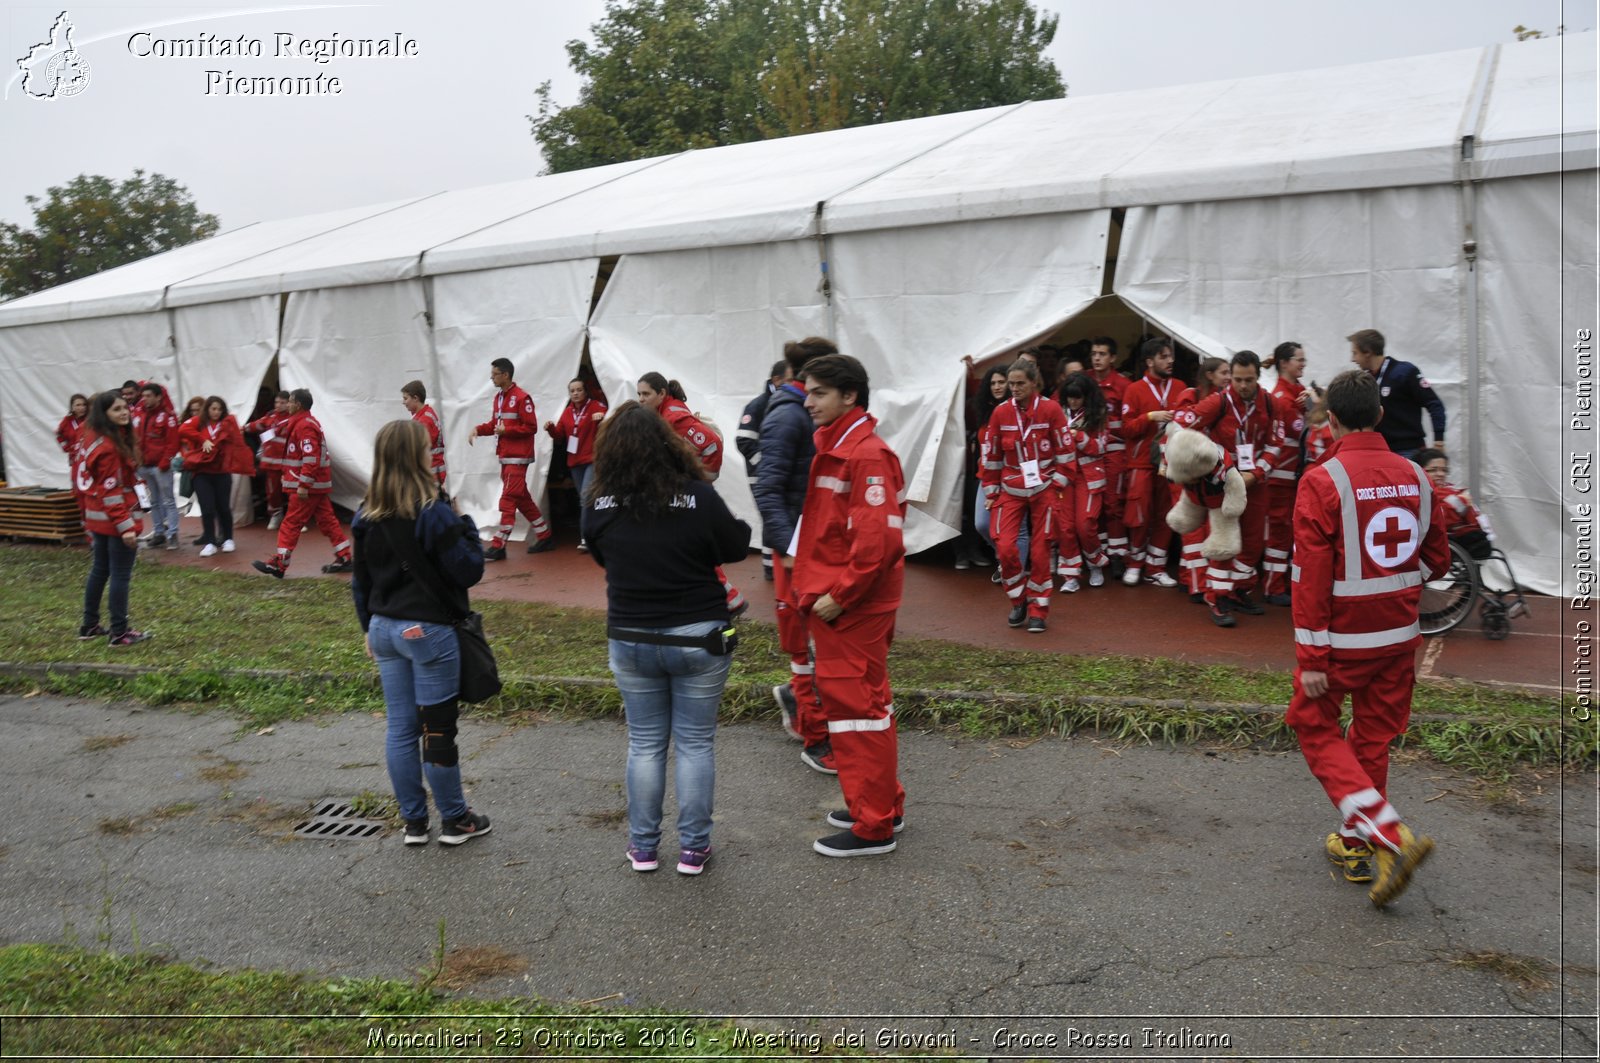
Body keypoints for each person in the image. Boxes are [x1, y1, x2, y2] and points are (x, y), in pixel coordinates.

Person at [1287, 369, 1445, 908]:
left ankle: (1389, 833)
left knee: (1313, 725)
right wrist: (1393, 590)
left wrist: (1310, 657)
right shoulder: (1418, 477)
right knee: (1371, 740)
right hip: (1400, 638)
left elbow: (1309, 578)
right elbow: (1438, 559)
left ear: (1330, 421)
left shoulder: (1321, 480)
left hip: (1342, 643)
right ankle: (1358, 844)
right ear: (1380, 415)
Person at [582, 402, 750, 876]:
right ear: (667, 443)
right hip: (698, 636)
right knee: (696, 744)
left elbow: (598, 552)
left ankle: (643, 848)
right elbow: (736, 545)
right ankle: (694, 850)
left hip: (631, 635)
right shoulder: (696, 495)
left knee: (645, 744)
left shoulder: (598, 502)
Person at [351, 419, 491, 847]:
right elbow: (469, 570)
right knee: (437, 729)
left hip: (384, 628)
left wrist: (367, 628)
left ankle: (414, 822)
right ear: (419, 456)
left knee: (400, 727)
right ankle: (455, 819)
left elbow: (361, 581)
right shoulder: (432, 511)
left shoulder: (365, 514)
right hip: (427, 630)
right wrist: (465, 522)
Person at [794, 353, 907, 857]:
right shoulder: (841, 447)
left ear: (849, 396)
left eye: (818, 392)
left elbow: (877, 543)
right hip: (844, 604)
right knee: (868, 710)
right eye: (807, 391)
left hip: (851, 608)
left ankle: (873, 826)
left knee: (857, 714)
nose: (808, 400)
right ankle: (882, 804)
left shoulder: (864, 455)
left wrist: (839, 598)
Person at [754, 337, 834, 765]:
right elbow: (768, 488)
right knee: (806, 650)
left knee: (816, 647)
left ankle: (801, 705)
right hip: (797, 553)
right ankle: (815, 738)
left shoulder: (802, 412)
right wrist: (790, 548)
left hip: (811, 547)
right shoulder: (789, 415)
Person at [1174, 350, 1283, 625]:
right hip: (1222, 483)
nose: (1242, 385)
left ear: (1258, 377)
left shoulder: (1270, 404)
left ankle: (1237, 591)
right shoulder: (1217, 402)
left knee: (1253, 544)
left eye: (1248, 380)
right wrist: (1196, 463)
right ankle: (1216, 598)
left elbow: (1275, 445)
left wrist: (1256, 474)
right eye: (1237, 379)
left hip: (1255, 484)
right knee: (1224, 543)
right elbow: (1181, 427)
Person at [638, 372, 746, 616]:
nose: (641, 399)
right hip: (680, 489)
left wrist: (702, 479)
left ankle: (728, 597)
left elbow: (711, 444)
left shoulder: (673, 417)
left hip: (687, 490)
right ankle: (726, 596)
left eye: (646, 394)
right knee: (691, 543)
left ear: (662, 394)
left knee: (688, 542)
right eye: (639, 394)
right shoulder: (664, 414)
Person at [983, 358, 1070, 632]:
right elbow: (992, 454)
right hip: (1010, 487)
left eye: (1021, 383)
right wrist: (991, 489)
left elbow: (1066, 452)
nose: (1015, 388)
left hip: (1044, 488)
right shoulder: (1000, 413)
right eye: (1012, 384)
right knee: (1006, 547)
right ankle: (1018, 599)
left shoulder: (1051, 409)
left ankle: (1038, 610)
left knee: (1041, 550)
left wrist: (1057, 484)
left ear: (1034, 383)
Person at [75, 390, 150, 647]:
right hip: (114, 519)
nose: (124, 412)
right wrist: (126, 527)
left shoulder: (94, 437)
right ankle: (119, 632)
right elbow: (111, 491)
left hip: (97, 516)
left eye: (125, 407)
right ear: (104, 414)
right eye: (116, 409)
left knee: (100, 570)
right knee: (119, 574)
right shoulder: (109, 447)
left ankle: (89, 624)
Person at [252, 388, 353, 578]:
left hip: (308, 486)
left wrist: (304, 484)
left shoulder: (304, 426)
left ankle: (280, 564)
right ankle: (344, 556)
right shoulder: (301, 423)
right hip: (315, 485)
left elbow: (310, 457)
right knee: (327, 521)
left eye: (289, 401)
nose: (286, 404)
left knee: (291, 523)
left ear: (297, 405)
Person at [470, 357, 554, 559]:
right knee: (521, 498)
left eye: (494, 374)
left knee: (507, 499)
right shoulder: (499, 398)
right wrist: (478, 430)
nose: (491, 378)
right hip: (506, 456)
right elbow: (494, 424)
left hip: (517, 457)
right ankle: (544, 535)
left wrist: (507, 430)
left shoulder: (522, 397)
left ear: (505, 375)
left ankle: (499, 545)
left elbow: (531, 427)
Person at [1117, 337, 1183, 589]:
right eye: (1164, 356)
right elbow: (1126, 429)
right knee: (1139, 515)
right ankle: (1135, 564)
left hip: (1172, 464)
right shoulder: (1134, 390)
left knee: (1166, 516)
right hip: (1142, 463)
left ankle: (1156, 567)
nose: (1170, 361)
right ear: (1149, 361)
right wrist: (1149, 416)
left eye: (1170, 356)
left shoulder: (1180, 387)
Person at [1263, 343, 1314, 606]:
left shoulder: (1297, 393)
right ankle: (1273, 587)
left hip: (1292, 476)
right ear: (1284, 363)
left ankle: (1282, 582)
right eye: (1299, 360)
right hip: (1281, 478)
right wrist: (1313, 411)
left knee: (1290, 532)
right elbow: (1298, 433)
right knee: (1280, 532)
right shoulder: (1283, 397)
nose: (1303, 364)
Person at [1347, 329, 1446, 459]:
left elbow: (1434, 404)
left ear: (1367, 352)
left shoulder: (1404, 372)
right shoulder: (1366, 379)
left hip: (1409, 451)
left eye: (1355, 353)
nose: (1352, 359)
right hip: (1380, 451)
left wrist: (1439, 440)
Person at [735, 360, 789, 580]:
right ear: (776, 380)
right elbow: (743, 440)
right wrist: (763, 463)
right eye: (790, 380)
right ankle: (770, 569)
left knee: (777, 517)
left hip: (778, 472)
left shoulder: (783, 403)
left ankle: (774, 565)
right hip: (761, 475)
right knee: (770, 516)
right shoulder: (758, 405)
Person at [1057, 373, 1110, 592]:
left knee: (1085, 524)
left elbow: (1100, 447)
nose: (1073, 401)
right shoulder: (1057, 413)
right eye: (1070, 397)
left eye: (1077, 397)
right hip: (1063, 475)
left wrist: (1078, 436)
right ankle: (1070, 575)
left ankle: (1095, 563)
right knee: (1065, 527)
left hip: (1088, 476)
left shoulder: (1098, 415)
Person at [179, 396, 250, 557]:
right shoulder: (199, 421)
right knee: (207, 508)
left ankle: (228, 539)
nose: (216, 412)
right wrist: (202, 439)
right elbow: (182, 429)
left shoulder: (228, 422)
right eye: (213, 409)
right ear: (207, 409)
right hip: (202, 473)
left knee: (223, 507)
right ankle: (210, 542)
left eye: (219, 409)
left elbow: (237, 441)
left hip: (222, 472)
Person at [543, 377, 607, 549]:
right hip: (575, 461)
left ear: (585, 391)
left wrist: (602, 417)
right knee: (585, 499)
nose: (576, 393)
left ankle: (586, 537)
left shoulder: (596, 406)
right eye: (572, 391)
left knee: (586, 496)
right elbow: (559, 437)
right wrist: (550, 429)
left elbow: (610, 419)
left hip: (592, 459)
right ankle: (597, 532)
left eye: (579, 390)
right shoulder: (567, 412)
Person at [1088, 338, 1131, 576]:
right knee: (1095, 506)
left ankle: (1116, 555)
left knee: (1113, 504)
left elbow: (1130, 422)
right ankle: (1100, 552)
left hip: (1114, 451)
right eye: (1094, 353)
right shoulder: (1083, 381)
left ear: (1112, 358)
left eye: (1102, 353)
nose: (1097, 358)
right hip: (1087, 452)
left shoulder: (1123, 385)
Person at [971, 366, 1015, 582]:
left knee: (1009, 528)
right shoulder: (985, 410)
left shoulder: (1014, 409)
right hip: (985, 478)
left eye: (1001, 382)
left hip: (1009, 479)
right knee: (981, 524)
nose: (997, 387)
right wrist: (969, 372)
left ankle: (1012, 565)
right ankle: (1003, 558)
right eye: (993, 383)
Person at [134, 383, 181, 550]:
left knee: (168, 500)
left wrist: (165, 461)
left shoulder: (167, 416)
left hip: (160, 466)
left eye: (148, 396)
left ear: (158, 397)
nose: (145, 399)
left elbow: (173, 441)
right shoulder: (139, 414)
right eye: (143, 396)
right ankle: (159, 532)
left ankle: (172, 534)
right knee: (154, 501)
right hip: (144, 465)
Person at [245, 390, 292, 530]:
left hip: (288, 462)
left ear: (289, 404)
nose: (279, 405)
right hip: (271, 463)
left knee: (292, 491)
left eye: (282, 403)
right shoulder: (270, 416)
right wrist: (244, 428)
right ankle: (276, 515)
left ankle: (295, 518)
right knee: (273, 492)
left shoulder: (293, 419)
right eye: (277, 402)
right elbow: (256, 425)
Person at [401, 380, 446, 487]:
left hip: (430, 474)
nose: (403, 402)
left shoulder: (424, 421)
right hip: (431, 472)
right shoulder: (425, 415)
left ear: (416, 398)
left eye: (405, 398)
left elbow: (417, 449)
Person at [57, 393, 88, 467]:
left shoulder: (90, 419)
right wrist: (66, 447)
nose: (82, 407)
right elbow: (59, 435)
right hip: (75, 458)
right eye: (78, 405)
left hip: (88, 456)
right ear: (72, 407)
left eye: (84, 405)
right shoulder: (67, 420)